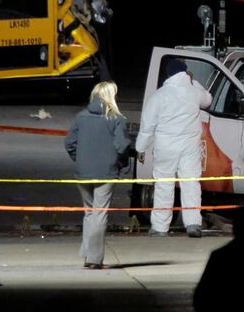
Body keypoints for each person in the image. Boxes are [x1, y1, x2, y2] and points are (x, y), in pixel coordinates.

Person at [135, 58, 212, 238]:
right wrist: (195, 81)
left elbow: (147, 126)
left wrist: (141, 148)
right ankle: (193, 224)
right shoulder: (194, 91)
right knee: (191, 183)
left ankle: (160, 227)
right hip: (190, 148)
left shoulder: (160, 95)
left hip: (165, 148)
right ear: (185, 73)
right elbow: (208, 100)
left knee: (164, 185)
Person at [65, 81, 131, 269]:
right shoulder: (116, 118)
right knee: (99, 214)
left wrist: (80, 159)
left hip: (83, 173)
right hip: (105, 173)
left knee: (89, 213)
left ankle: (87, 254)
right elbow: (122, 145)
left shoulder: (81, 117)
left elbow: (69, 142)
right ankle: (94, 259)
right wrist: (122, 164)